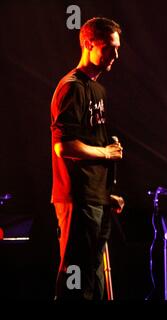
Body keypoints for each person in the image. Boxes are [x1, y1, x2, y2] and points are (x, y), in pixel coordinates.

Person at [50, 17, 125, 300]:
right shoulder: (72, 87)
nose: (115, 56)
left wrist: (106, 194)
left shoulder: (97, 89)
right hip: (77, 199)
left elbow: (89, 144)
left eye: (117, 49)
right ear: (88, 44)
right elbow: (64, 146)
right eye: (108, 48)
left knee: (93, 281)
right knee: (75, 280)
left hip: (94, 198)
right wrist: (106, 151)